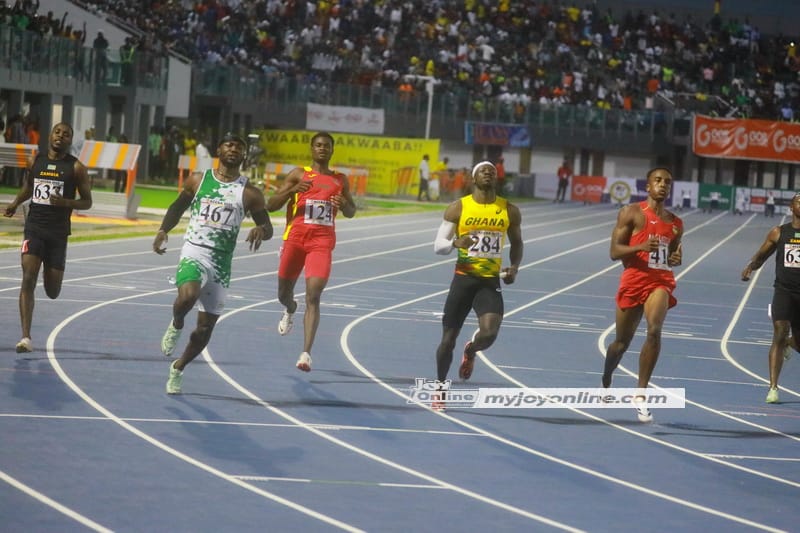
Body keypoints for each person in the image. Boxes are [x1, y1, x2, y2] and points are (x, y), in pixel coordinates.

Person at [153, 133, 273, 394]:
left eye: (239, 147)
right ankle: (176, 324)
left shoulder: (250, 193)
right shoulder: (199, 179)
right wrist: (164, 230)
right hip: (194, 251)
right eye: (229, 144)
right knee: (187, 296)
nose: (233, 149)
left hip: (221, 262)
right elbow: (177, 207)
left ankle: (178, 367)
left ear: (244, 155)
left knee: (205, 329)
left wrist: (260, 231)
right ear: (219, 148)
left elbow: (268, 227)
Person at [431, 161, 523, 411]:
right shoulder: (459, 207)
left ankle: (471, 350)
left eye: (492, 171)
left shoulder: (509, 210)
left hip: (489, 282)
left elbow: (517, 243)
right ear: (473, 178)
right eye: (483, 170)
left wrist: (514, 267)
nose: (488, 173)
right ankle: (440, 387)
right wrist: (455, 243)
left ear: (497, 179)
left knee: (490, 334)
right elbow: (438, 245)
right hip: (463, 280)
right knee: (447, 340)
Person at [266, 131, 356, 372]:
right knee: (284, 294)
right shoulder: (298, 174)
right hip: (295, 240)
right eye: (318, 145)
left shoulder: (340, 179)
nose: (322, 148)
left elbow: (351, 211)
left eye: (327, 145)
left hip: (321, 242)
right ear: (311, 148)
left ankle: (305, 353)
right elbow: (270, 205)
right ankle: (290, 308)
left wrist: (344, 204)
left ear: (332, 150)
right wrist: (293, 190)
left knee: (313, 296)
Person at [601, 167, 683, 423]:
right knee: (620, 345)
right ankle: (606, 378)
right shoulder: (631, 213)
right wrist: (640, 246)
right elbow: (614, 252)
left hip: (659, 281)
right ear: (647, 186)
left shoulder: (676, 224)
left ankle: (640, 393)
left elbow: (673, 255)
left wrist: (675, 257)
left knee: (654, 330)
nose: (662, 185)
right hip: (634, 280)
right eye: (657, 181)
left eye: (667, 182)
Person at [3, 123, 93, 353]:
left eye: (66, 135)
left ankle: (49, 268)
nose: (60, 137)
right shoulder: (35, 161)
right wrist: (15, 203)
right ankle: (25, 337)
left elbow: (87, 202)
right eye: (57, 132)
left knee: (52, 291)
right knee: (27, 277)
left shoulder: (76, 168)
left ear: (70, 140)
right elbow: (28, 187)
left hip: (58, 233)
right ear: (50, 135)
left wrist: (66, 203)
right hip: (34, 228)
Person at [740, 193, 800, 403]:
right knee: (780, 332)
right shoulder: (779, 232)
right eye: (799, 201)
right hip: (784, 291)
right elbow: (762, 254)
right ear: (791, 207)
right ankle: (773, 387)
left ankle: (789, 344)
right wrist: (750, 266)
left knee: (796, 342)